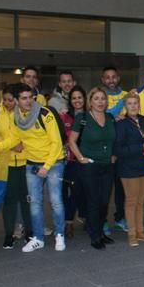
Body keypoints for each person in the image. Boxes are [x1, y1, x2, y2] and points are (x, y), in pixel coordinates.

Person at [0, 83, 66, 253]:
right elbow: (13, 138)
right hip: (32, 164)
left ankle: (60, 234)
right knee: (35, 202)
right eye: (24, 98)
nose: (28, 101)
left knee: (55, 201)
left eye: (30, 97)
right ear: (16, 100)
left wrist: (47, 166)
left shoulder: (45, 114)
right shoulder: (17, 118)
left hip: (53, 163)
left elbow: (57, 143)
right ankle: (37, 238)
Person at [68, 87, 117, 250]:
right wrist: (80, 158)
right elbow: (72, 141)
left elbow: (113, 140)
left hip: (107, 166)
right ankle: (94, 235)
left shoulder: (110, 118)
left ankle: (101, 232)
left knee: (104, 201)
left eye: (103, 99)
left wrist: (114, 155)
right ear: (90, 102)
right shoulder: (82, 118)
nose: (100, 102)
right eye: (96, 99)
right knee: (93, 201)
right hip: (90, 166)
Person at [0, 85, 32, 249]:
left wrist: (18, 145)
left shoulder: (26, 113)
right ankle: (9, 235)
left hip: (26, 161)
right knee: (9, 200)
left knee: (26, 199)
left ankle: (29, 232)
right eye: (5, 100)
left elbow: (29, 137)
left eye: (11, 100)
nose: (7, 103)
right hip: (5, 162)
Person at [113, 92, 144, 247]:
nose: (133, 106)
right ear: (125, 106)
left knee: (141, 202)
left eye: (135, 103)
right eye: (130, 103)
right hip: (128, 168)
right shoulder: (121, 124)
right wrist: (141, 147)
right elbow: (118, 149)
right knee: (131, 201)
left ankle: (140, 231)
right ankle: (131, 234)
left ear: (139, 105)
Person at [60, 85, 88, 238]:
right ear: (70, 101)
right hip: (71, 161)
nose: (77, 100)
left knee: (87, 191)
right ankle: (69, 222)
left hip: (89, 160)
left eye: (80, 97)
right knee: (75, 192)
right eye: (74, 98)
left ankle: (85, 217)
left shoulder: (90, 115)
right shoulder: (64, 117)